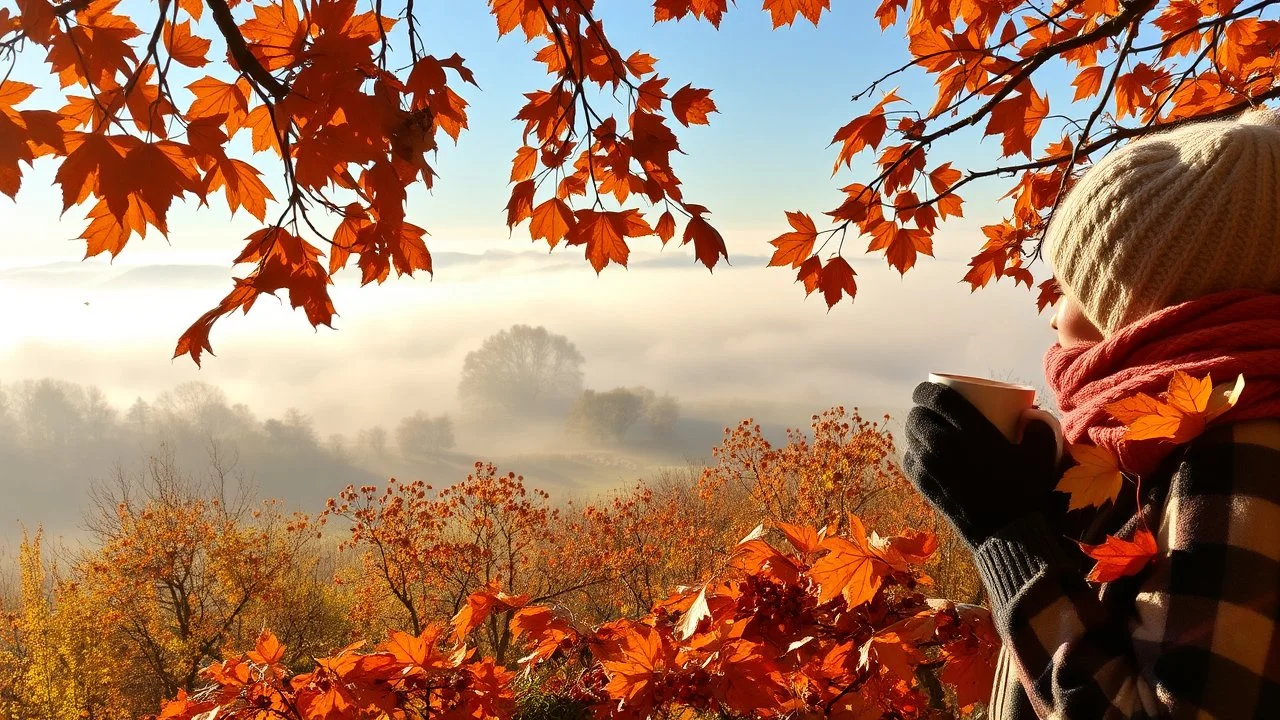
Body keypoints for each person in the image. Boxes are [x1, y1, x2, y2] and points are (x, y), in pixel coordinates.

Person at [903, 107, 1280, 719]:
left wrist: (1003, 532)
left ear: (1147, 304)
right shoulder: (1178, 441)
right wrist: (1058, 520)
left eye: (1072, 287)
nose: (1052, 315)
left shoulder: (1240, 454)